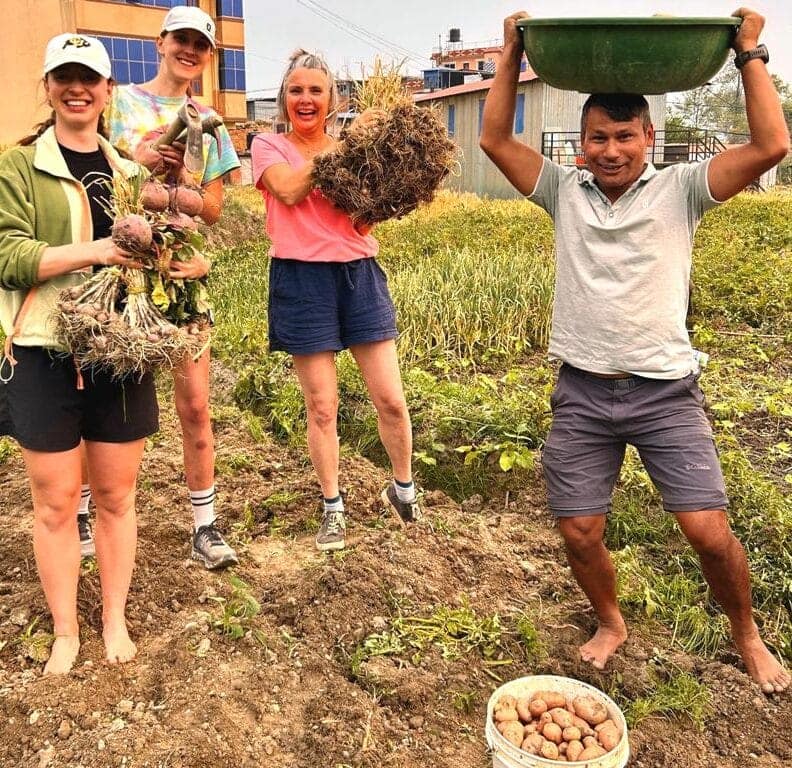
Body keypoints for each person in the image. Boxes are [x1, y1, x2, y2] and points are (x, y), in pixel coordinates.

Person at [480, 9, 790, 694]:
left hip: (664, 393)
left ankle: (747, 632)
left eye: (625, 136)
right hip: (584, 392)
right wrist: (509, 55)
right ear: (580, 144)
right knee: (580, 531)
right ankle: (611, 621)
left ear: (650, 137)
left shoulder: (683, 190)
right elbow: (495, 137)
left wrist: (749, 54)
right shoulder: (564, 191)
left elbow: (770, 145)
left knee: (707, 531)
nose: (612, 149)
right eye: (598, 137)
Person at [0, 33, 159, 674]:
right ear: (48, 88)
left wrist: (181, 265)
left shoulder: (130, 172)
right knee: (57, 500)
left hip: (121, 350)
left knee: (118, 497)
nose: (77, 88)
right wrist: (93, 252)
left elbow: (161, 259)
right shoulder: (17, 167)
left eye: (89, 78)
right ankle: (66, 629)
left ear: (107, 91)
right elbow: (8, 256)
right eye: (64, 76)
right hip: (43, 348)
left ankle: (113, 617)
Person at [250, 50, 421, 552]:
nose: (306, 99)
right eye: (296, 90)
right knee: (322, 406)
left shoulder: (355, 150)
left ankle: (404, 490)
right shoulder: (268, 146)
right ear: (284, 97)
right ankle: (333, 508)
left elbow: (366, 217)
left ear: (333, 99)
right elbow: (288, 191)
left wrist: (380, 157)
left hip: (358, 276)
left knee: (390, 398)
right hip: (301, 281)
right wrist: (346, 149)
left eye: (316, 91)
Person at [98, 5, 241, 570]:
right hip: (121, 268)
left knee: (197, 405)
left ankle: (204, 526)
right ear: (160, 43)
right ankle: (88, 510)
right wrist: (141, 161)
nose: (189, 51)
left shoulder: (208, 119)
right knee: (105, 399)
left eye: (200, 45)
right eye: (180, 40)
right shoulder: (121, 104)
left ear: (208, 57)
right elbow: (98, 178)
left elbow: (213, 209)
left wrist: (183, 199)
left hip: (180, 274)